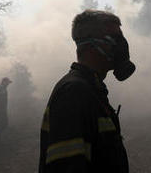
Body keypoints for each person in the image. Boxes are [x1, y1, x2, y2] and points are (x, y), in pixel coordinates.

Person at [39, 10, 136, 173]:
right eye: (115, 39)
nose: (122, 45)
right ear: (91, 45)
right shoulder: (73, 93)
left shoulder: (92, 89)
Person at [0, 77, 12, 144]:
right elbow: (0, 101)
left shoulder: (1, 88)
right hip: (0, 110)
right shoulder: (1, 89)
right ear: (4, 82)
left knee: (1, 124)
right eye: (7, 82)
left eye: (9, 83)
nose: (8, 84)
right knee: (3, 124)